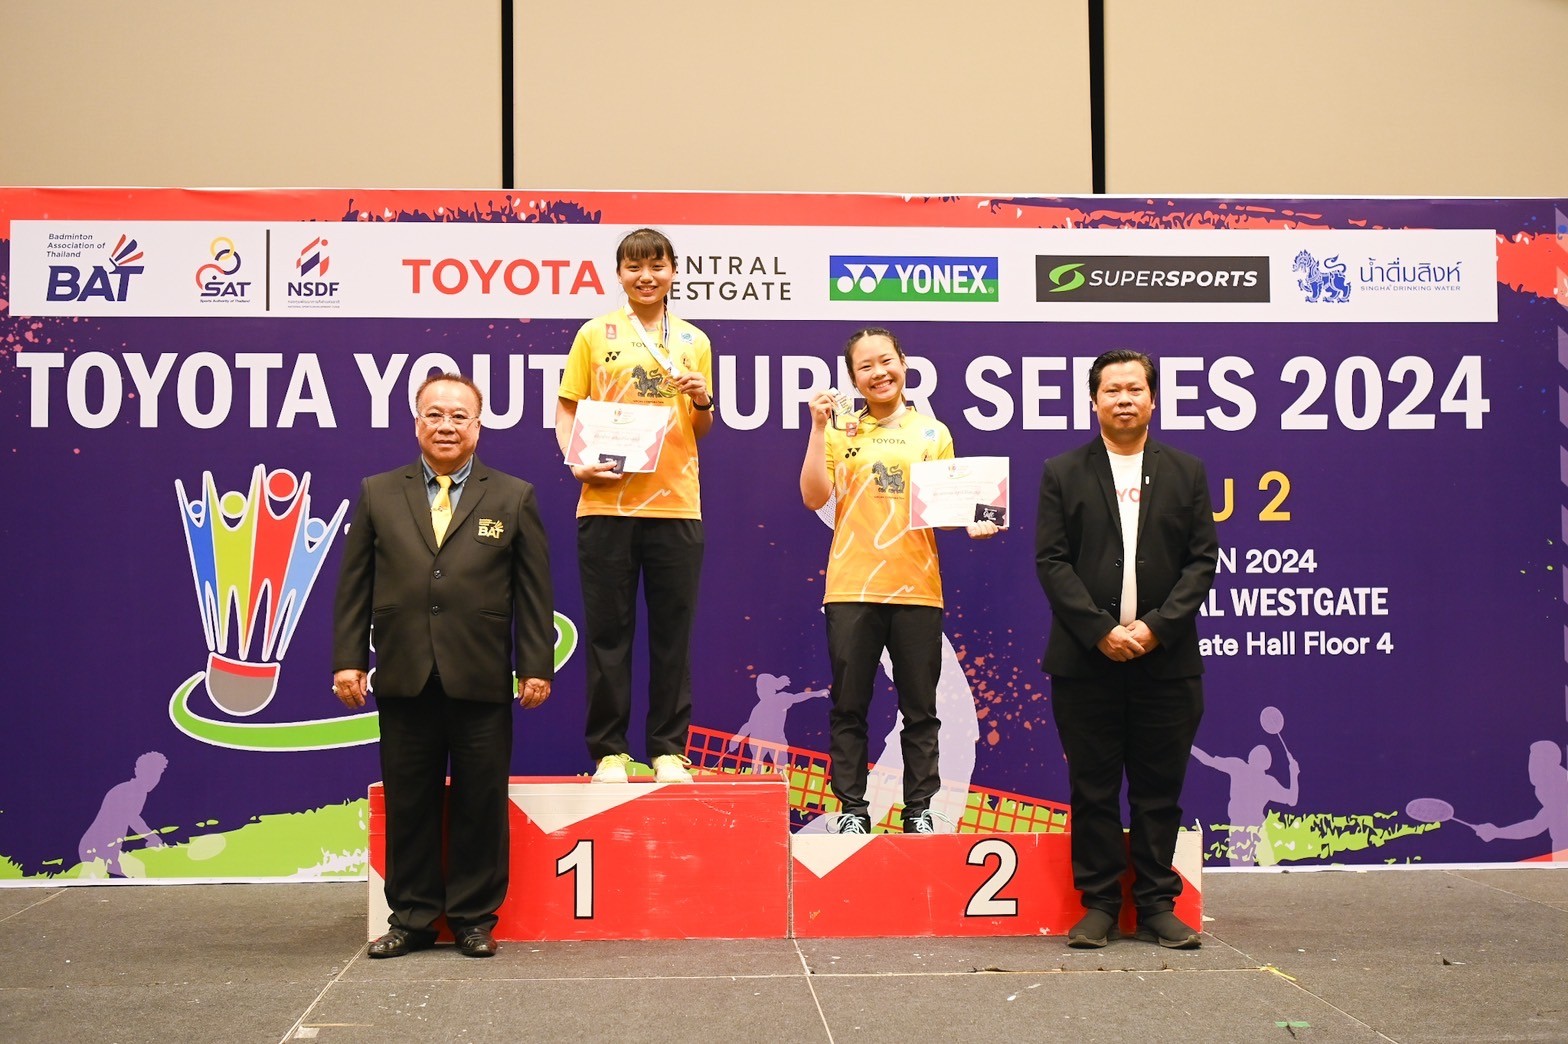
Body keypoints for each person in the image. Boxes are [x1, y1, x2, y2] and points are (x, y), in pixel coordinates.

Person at [333, 372, 554, 960]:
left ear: (478, 426)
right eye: (435, 414)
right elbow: (354, 585)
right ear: (417, 424)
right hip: (404, 673)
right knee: (410, 802)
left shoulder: (513, 495)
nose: (447, 425)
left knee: (481, 802)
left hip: (480, 676)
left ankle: (475, 918)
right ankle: (411, 919)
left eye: (459, 416)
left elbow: (534, 591)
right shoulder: (378, 492)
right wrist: (349, 659)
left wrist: (535, 664)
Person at [1034, 349, 1217, 949]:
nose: (1124, 399)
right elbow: (1052, 561)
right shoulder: (1063, 471)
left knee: (1159, 790)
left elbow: (1201, 561)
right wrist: (1100, 631)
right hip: (1086, 661)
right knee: (1093, 788)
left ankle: (1158, 903)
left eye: (1135, 389)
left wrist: (1156, 628)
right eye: (1112, 390)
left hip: (1167, 662)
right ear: (1094, 401)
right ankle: (1100, 904)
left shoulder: (1187, 471)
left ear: (1152, 399)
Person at [801, 328, 998, 835]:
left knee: (921, 709)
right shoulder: (839, 430)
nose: (878, 373)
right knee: (850, 707)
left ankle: (919, 810)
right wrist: (818, 429)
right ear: (853, 379)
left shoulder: (933, 433)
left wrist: (974, 520)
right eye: (865, 367)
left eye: (885, 361)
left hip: (917, 588)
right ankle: (852, 810)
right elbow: (813, 497)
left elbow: (946, 510)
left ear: (903, 363)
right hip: (851, 588)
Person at [556, 228, 715, 784]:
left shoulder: (694, 340)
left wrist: (702, 398)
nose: (646, 276)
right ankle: (609, 752)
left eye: (656, 265)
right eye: (634, 266)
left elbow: (700, 429)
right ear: (620, 274)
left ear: (673, 271)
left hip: (677, 507)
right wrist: (575, 461)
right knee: (608, 635)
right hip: (607, 505)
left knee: (673, 635)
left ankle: (669, 749)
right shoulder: (594, 334)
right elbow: (568, 408)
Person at [78, 751, 168, 876]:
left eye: (156, 775)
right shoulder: (129, 791)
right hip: (95, 849)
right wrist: (152, 837)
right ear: (137, 771)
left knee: (137, 870)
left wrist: (152, 838)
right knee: (135, 872)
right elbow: (133, 820)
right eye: (149, 773)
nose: (152, 779)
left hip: (106, 848)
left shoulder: (138, 791)